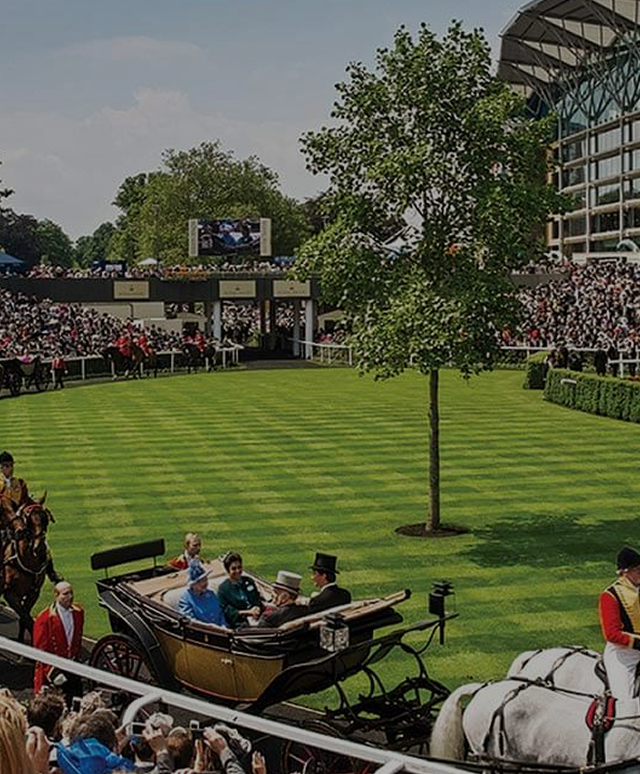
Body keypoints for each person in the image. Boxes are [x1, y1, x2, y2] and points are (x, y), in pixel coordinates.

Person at [599, 546, 640, 699]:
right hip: (623, 655)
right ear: (625, 572)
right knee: (625, 701)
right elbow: (612, 634)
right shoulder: (610, 596)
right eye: (637, 569)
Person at [33, 581, 84, 702]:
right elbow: (39, 651)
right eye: (65, 594)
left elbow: (77, 640)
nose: (70, 597)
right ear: (56, 595)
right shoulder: (44, 619)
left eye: (71, 593)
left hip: (72, 667)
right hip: (55, 671)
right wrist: (52, 672)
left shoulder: (79, 613)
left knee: (77, 705)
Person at [217, 551, 263, 628]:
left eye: (239, 567)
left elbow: (256, 598)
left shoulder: (248, 581)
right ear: (228, 570)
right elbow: (227, 612)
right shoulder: (223, 589)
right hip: (240, 623)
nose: (237, 571)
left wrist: (257, 607)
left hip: (258, 616)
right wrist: (248, 613)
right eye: (234, 569)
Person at [178, 560, 227, 627]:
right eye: (200, 581)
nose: (204, 583)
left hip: (222, 631)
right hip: (201, 633)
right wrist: (210, 628)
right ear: (193, 584)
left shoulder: (211, 594)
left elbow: (220, 613)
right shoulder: (185, 600)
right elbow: (190, 621)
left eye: (205, 579)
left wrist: (224, 626)